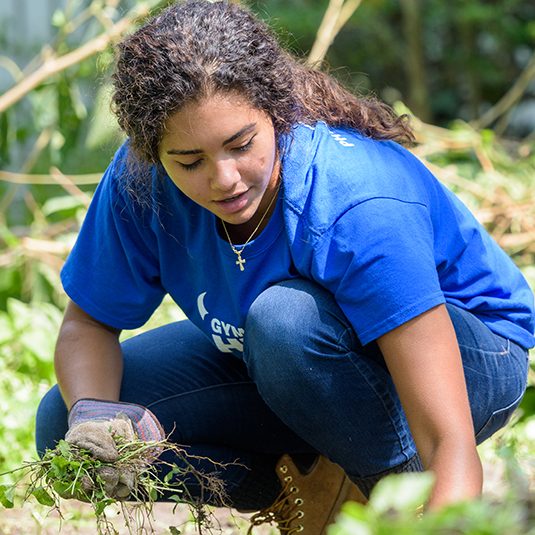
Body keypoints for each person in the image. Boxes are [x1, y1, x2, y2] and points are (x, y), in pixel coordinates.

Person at [35, 0, 534, 533]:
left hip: (471, 352)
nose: (224, 178)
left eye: (241, 144)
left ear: (274, 110)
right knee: (61, 422)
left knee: (284, 322)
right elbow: (87, 326)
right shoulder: (141, 182)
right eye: (190, 161)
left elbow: (447, 442)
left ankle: (384, 498)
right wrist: (97, 416)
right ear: (154, 153)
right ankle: (316, 490)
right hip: (283, 358)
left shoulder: (355, 201)